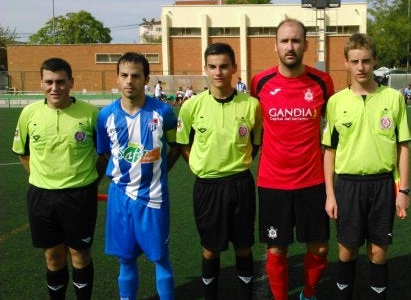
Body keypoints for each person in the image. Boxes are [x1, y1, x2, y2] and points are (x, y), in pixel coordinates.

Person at [250, 18, 334, 300]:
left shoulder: (322, 82)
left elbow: (332, 130)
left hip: (313, 181)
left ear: (306, 45)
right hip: (273, 183)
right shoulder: (260, 82)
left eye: (296, 40)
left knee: (320, 247)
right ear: (275, 46)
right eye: (284, 41)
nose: (290, 46)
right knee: (276, 249)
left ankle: (308, 294)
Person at [323, 33, 411, 299]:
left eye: (366, 61)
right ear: (347, 63)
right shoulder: (336, 102)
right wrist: (330, 194)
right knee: (346, 251)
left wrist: (404, 191)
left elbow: (403, 146)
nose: (361, 67)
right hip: (348, 186)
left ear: (375, 61)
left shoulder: (393, 99)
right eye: (355, 61)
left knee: (379, 252)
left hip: (383, 185)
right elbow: (329, 151)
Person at [12, 57, 106, 300]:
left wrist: (90, 181)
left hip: (79, 195)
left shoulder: (90, 114)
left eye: (61, 82)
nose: (55, 88)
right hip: (42, 196)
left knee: (80, 255)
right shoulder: (29, 113)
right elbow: (23, 153)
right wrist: (41, 177)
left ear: (71, 82)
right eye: (49, 82)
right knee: (53, 256)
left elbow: (104, 153)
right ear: (41, 83)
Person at [177, 43, 262, 300]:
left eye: (224, 66)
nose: (218, 72)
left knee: (244, 246)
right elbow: (183, 144)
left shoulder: (252, 105)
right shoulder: (192, 106)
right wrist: (200, 166)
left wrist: (236, 164)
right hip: (207, 187)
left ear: (234, 68)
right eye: (212, 67)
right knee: (210, 249)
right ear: (205, 69)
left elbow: (255, 144)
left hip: (240, 184)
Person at [97, 52, 180, 299]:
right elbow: (103, 154)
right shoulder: (105, 116)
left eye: (135, 75)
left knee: (160, 258)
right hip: (120, 197)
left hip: (153, 197)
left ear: (146, 79)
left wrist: (162, 170)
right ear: (118, 77)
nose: (129, 81)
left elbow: (176, 145)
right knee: (125, 259)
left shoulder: (163, 112)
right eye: (124, 75)